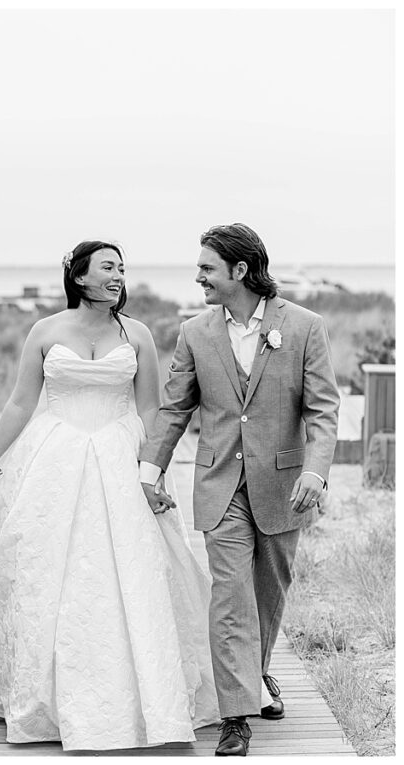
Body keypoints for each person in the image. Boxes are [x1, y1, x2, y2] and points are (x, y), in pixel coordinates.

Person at [0, 241, 239, 751]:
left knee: (132, 569)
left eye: (122, 268)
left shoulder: (138, 334)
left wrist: (154, 473)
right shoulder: (45, 332)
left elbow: (151, 412)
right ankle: (37, 695)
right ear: (79, 277)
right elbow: (18, 403)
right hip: (52, 453)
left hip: (120, 455)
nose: (118, 275)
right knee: (35, 566)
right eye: (107, 267)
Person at [139, 223, 339, 756]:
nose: (198, 276)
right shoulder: (194, 332)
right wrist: (149, 469)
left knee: (267, 595)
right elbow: (175, 407)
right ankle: (235, 717)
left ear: (240, 270)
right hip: (219, 482)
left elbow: (322, 409)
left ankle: (257, 674)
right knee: (229, 598)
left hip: (285, 484)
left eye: (207, 267)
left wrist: (315, 472)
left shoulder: (304, 326)